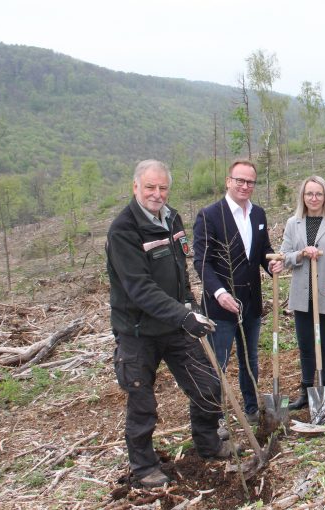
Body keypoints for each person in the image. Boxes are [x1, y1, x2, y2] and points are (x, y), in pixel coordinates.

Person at [106, 160, 234, 488]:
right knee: (142, 401)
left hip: (175, 326)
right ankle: (144, 466)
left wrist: (192, 305)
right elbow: (140, 289)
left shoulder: (172, 217)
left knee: (207, 384)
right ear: (135, 187)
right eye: (150, 187)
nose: (157, 194)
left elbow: (179, 272)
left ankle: (208, 444)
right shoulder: (123, 231)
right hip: (138, 332)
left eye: (163, 187)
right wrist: (184, 315)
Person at [193, 160, 282, 425]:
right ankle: (214, 419)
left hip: (251, 303)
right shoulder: (210, 215)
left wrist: (271, 264)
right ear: (228, 181)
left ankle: (252, 408)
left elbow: (262, 251)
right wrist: (219, 292)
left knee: (249, 359)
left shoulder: (258, 215)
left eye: (250, 182)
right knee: (217, 363)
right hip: (219, 306)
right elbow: (202, 261)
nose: (245, 186)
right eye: (240, 180)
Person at [279, 176, 325, 410]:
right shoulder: (293, 223)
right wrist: (300, 254)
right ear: (303, 196)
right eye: (309, 194)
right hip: (302, 294)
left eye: (318, 194)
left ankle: (324, 388)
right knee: (306, 344)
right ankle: (307, 389)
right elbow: (285, 256)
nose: (314, 198)